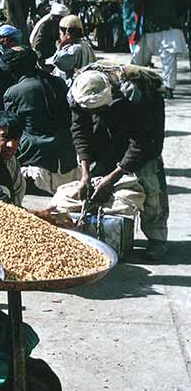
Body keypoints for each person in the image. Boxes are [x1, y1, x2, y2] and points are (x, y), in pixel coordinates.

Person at [70, 67, 168, 261]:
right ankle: (98, 231)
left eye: (98, 109)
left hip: (143, 135)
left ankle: (157, 237)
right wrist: (85, 173)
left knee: (151, 185)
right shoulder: (77, 90)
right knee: (94, 185)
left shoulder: (138, 93)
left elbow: (142, 142)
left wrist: (115, 176)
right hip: (107, 131)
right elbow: (80, 130)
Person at [0, 47, 78, 194]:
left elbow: (11, 127)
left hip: (37, 159)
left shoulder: (14, 92)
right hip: (67, 154)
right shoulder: (59, 82)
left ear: (14, 71)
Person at [130, 0, 190, 98]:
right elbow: (186, 1)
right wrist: (179, 15)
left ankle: (139, 86)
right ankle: (169, 88)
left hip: (151, 25)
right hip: (172, 24)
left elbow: (137, 1)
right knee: (169, 60)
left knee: (140, 58)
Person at [46, 14, 95, 85]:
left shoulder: (74, 49)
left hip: (73, 86)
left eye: (60, 34)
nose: (60, 36)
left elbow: (59, 61)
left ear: (67, 34)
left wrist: (59, 48)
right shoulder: (86, 45)